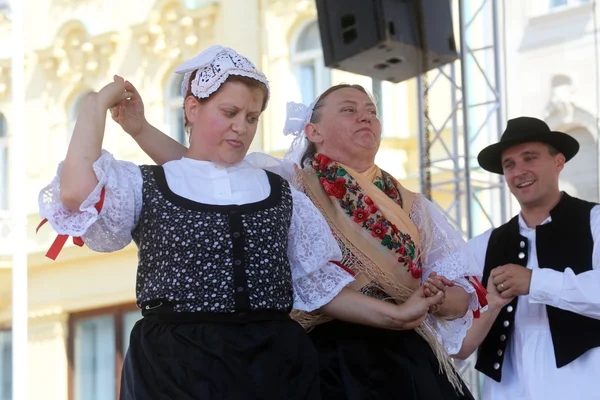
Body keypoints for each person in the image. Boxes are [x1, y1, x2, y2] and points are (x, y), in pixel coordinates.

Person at [37, 47, 445, 400]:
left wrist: (393, 316)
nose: (241, 126)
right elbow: (75, 191)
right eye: (229, 112)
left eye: (251, 117)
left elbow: (317, 286)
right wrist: (95, 105)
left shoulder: (279, 191)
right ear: (192, 108)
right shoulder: (148, 183)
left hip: (272, 366)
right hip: (175, 368)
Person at [111, 79, 488, 399]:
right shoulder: (284, 182)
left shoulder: (415, 207)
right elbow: (200, 176)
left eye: (371, 109)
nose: (365, 115)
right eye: (348, 109)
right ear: (313, 131)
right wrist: (140, 129)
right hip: (324, 354)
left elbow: (462, 300)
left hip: (404, 357)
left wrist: (435, 298)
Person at [455, 116, 600, 400]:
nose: (519, 171)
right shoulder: (482, 246)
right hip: (509, 392)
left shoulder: (595, 221)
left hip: (585, 387)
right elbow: (455, 341)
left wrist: (536, 281)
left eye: (529, 158)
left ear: (559, 162)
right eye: (509, 165)